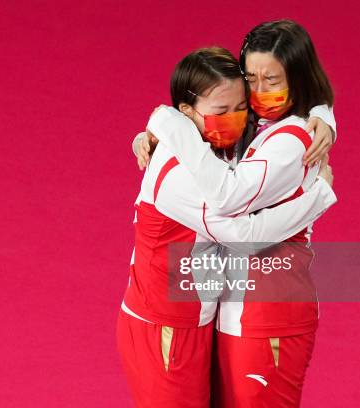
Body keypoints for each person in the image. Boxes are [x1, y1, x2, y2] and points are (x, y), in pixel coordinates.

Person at [131, 20, 337, 407]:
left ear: (298, 76)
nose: (258, 93)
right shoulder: (253, 126)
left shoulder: (292, 139)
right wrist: (157, 128)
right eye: (251, 79)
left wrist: (166, 121)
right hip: (222, 309)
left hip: (268, 309)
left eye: (271, 80)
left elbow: (230, 200)